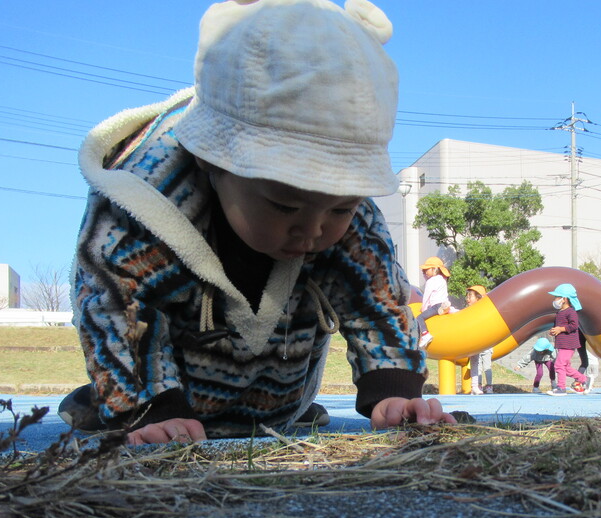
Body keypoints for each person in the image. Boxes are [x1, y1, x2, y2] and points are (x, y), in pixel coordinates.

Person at [60, 0, 456, 446]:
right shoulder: (143, 201)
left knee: (350, 262)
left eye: (339, 209)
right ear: (212, 161)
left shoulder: (352, 214)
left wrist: (394, 390)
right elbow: (117, 306)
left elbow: (376, 299)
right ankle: (130, 406)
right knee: (127, 384)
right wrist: (150, 408)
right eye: (285, 206)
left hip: (280, 398)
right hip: (172, 396)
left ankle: (290, 408)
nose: (312, 230)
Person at [546, 283, 593, 396]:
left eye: (556, 297)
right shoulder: (559, 313)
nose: (554, 299)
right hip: (561, 343)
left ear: (564, 299)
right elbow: (559, 327)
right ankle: (585, 380)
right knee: (565, 367)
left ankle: (561, 388)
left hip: (569, 343)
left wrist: (561, 329)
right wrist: (554, 331)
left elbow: (574, 325)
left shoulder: (571, 312)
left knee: (559, 365)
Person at [464, 284, 494, 394]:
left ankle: (488, 385)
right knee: (475, 364)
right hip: (474, 342)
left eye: (470, 296)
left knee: (485, 365)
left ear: (478, 298)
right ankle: (476, 386)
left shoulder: (483, 311)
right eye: (467, 296)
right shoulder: (467, 310)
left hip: (484, 344)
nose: (468, 298)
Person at [417, 256, 452, 349]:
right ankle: (444, 309)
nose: (424, 272)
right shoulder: (442, 280)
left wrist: (423, 308)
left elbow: (426, 296)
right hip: (442, 303)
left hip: (435, 305)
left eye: (426, 270)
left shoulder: (431, 281)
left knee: (419, 318)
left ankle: (425, 334)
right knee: (441, 307)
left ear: (434, 269)